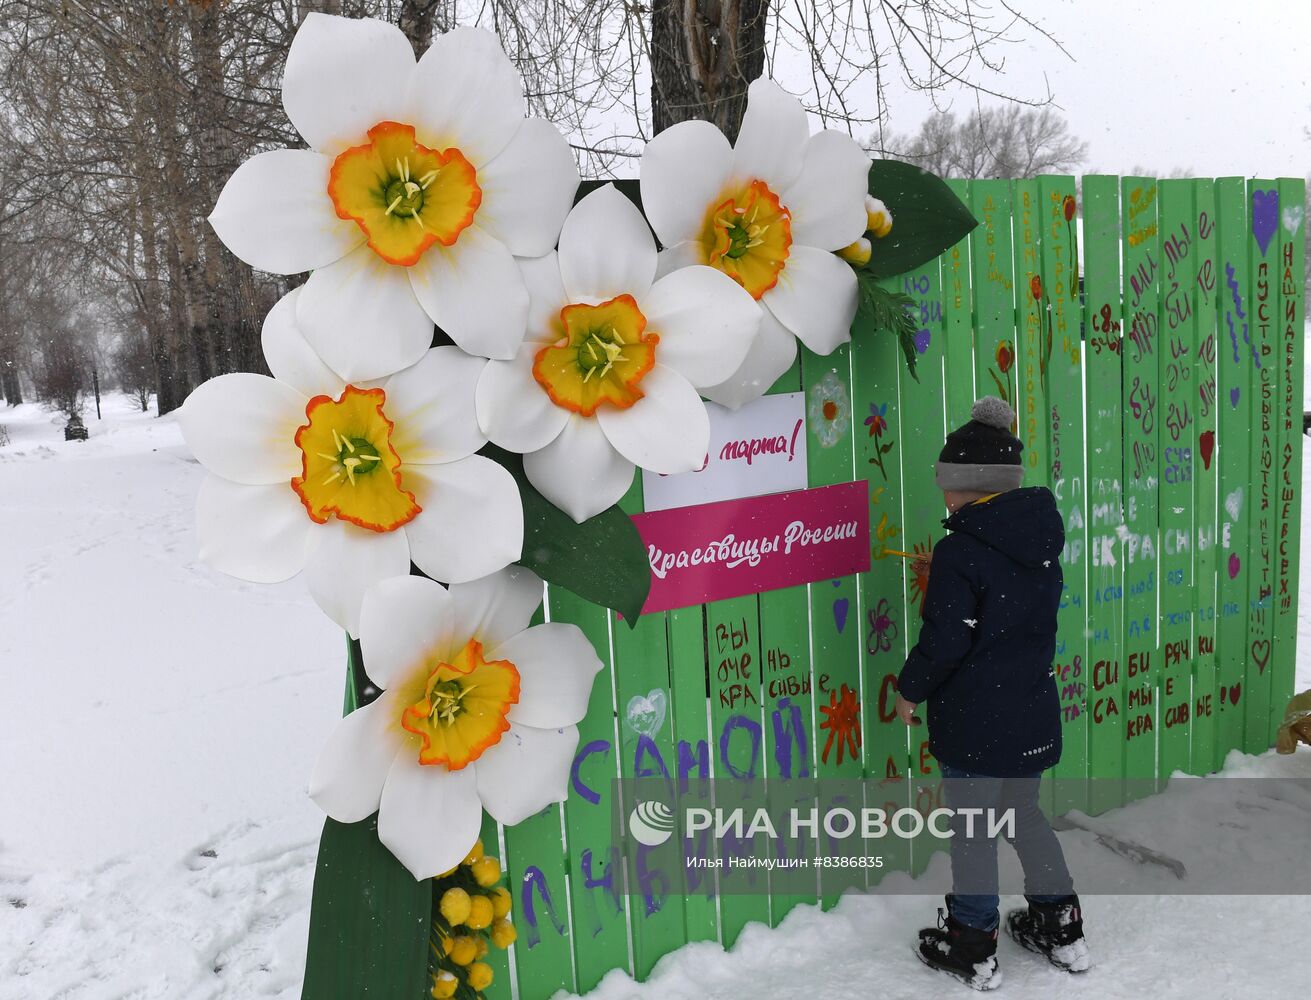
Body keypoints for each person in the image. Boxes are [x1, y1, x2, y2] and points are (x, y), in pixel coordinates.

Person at [893, 395, 1090, 991]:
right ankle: (1061, 924)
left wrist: (910, 690)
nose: (941, 493)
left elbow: (948, 640)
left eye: (946, 481)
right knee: (1023, 814)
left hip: (977, 721)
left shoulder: (962, 551)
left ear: (968, 486)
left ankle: (972, 943)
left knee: (974, 827)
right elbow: (1005, 618)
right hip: (1028, 711)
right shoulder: (1037, 542)